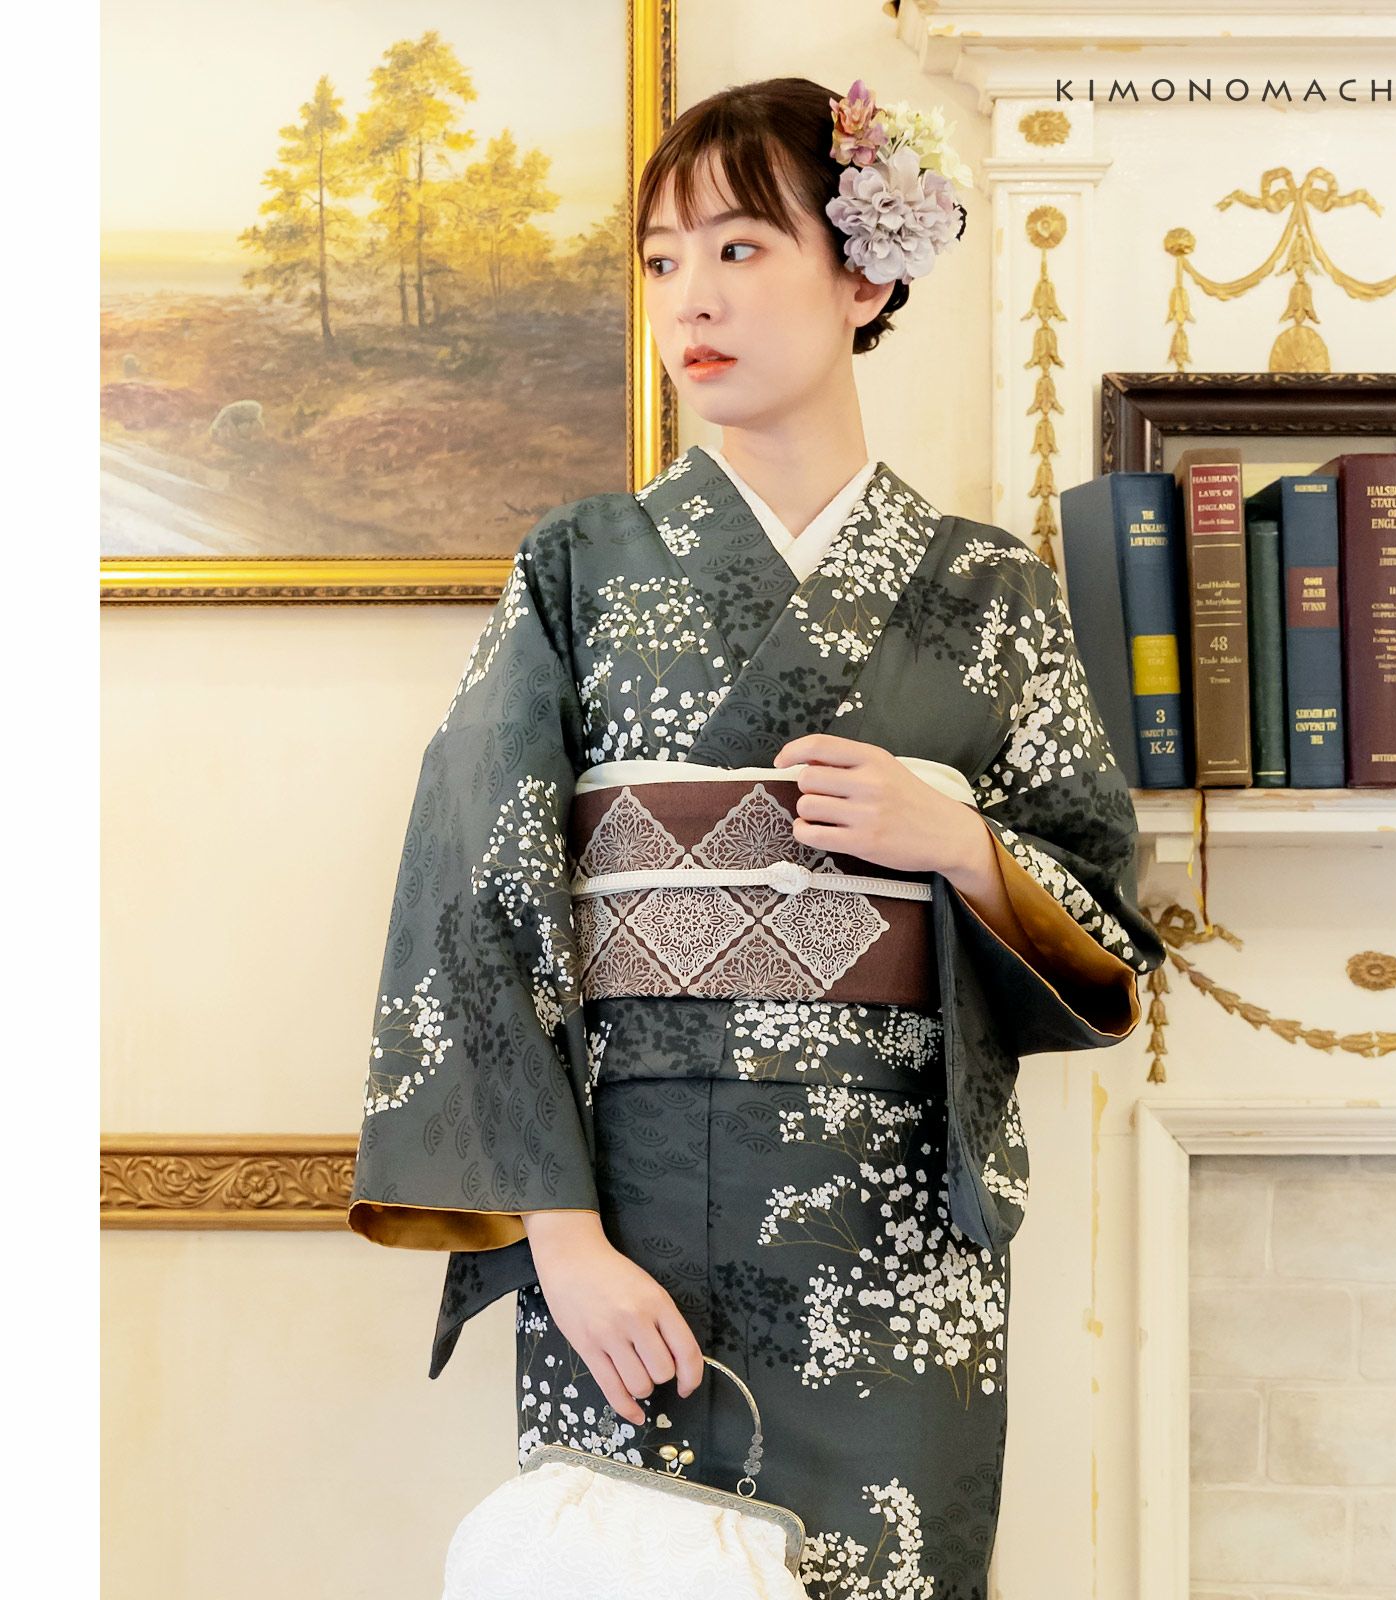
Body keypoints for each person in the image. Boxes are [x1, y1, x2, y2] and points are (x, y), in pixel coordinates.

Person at [347, 75, 1166, 1597]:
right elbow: (473, 904)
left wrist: (958, 841)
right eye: (662, 260)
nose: (691, 299)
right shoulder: (578, 566)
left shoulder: (992, 592)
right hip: (629, 1233)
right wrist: (563, 1246)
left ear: (865, 277)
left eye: (739, 248)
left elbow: (1110, 931)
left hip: (894, 1232)